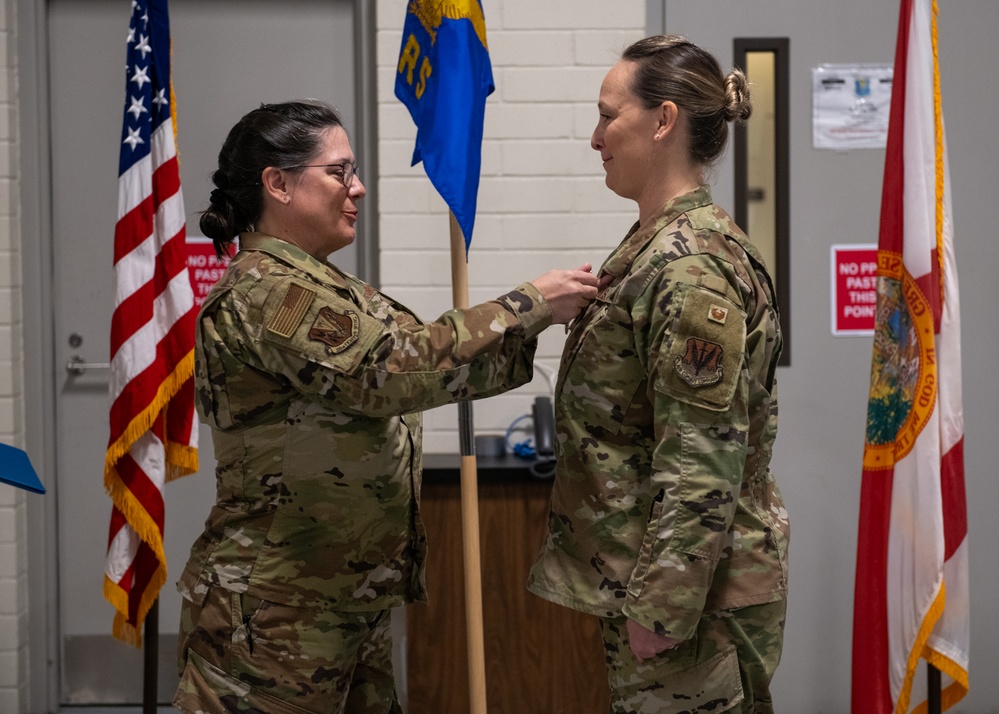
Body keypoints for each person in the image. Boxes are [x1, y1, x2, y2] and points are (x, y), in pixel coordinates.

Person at [173, 99, 601, 714]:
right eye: (340, 172)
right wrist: (529, 303)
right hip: (274, 610)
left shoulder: (323, 284)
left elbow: (423, 366)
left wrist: (543, 320)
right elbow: (393, 369)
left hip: (341, 595)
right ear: (279, 183)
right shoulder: (267, 293)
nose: (359, 187)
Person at [527, 36, 789, 713]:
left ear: (663, 120)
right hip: (664, 585)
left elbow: (702, 455)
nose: (595, 137)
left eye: (608, 115)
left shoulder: (687, 264)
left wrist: (662, 606)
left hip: (689, 602)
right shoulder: (652, 248)